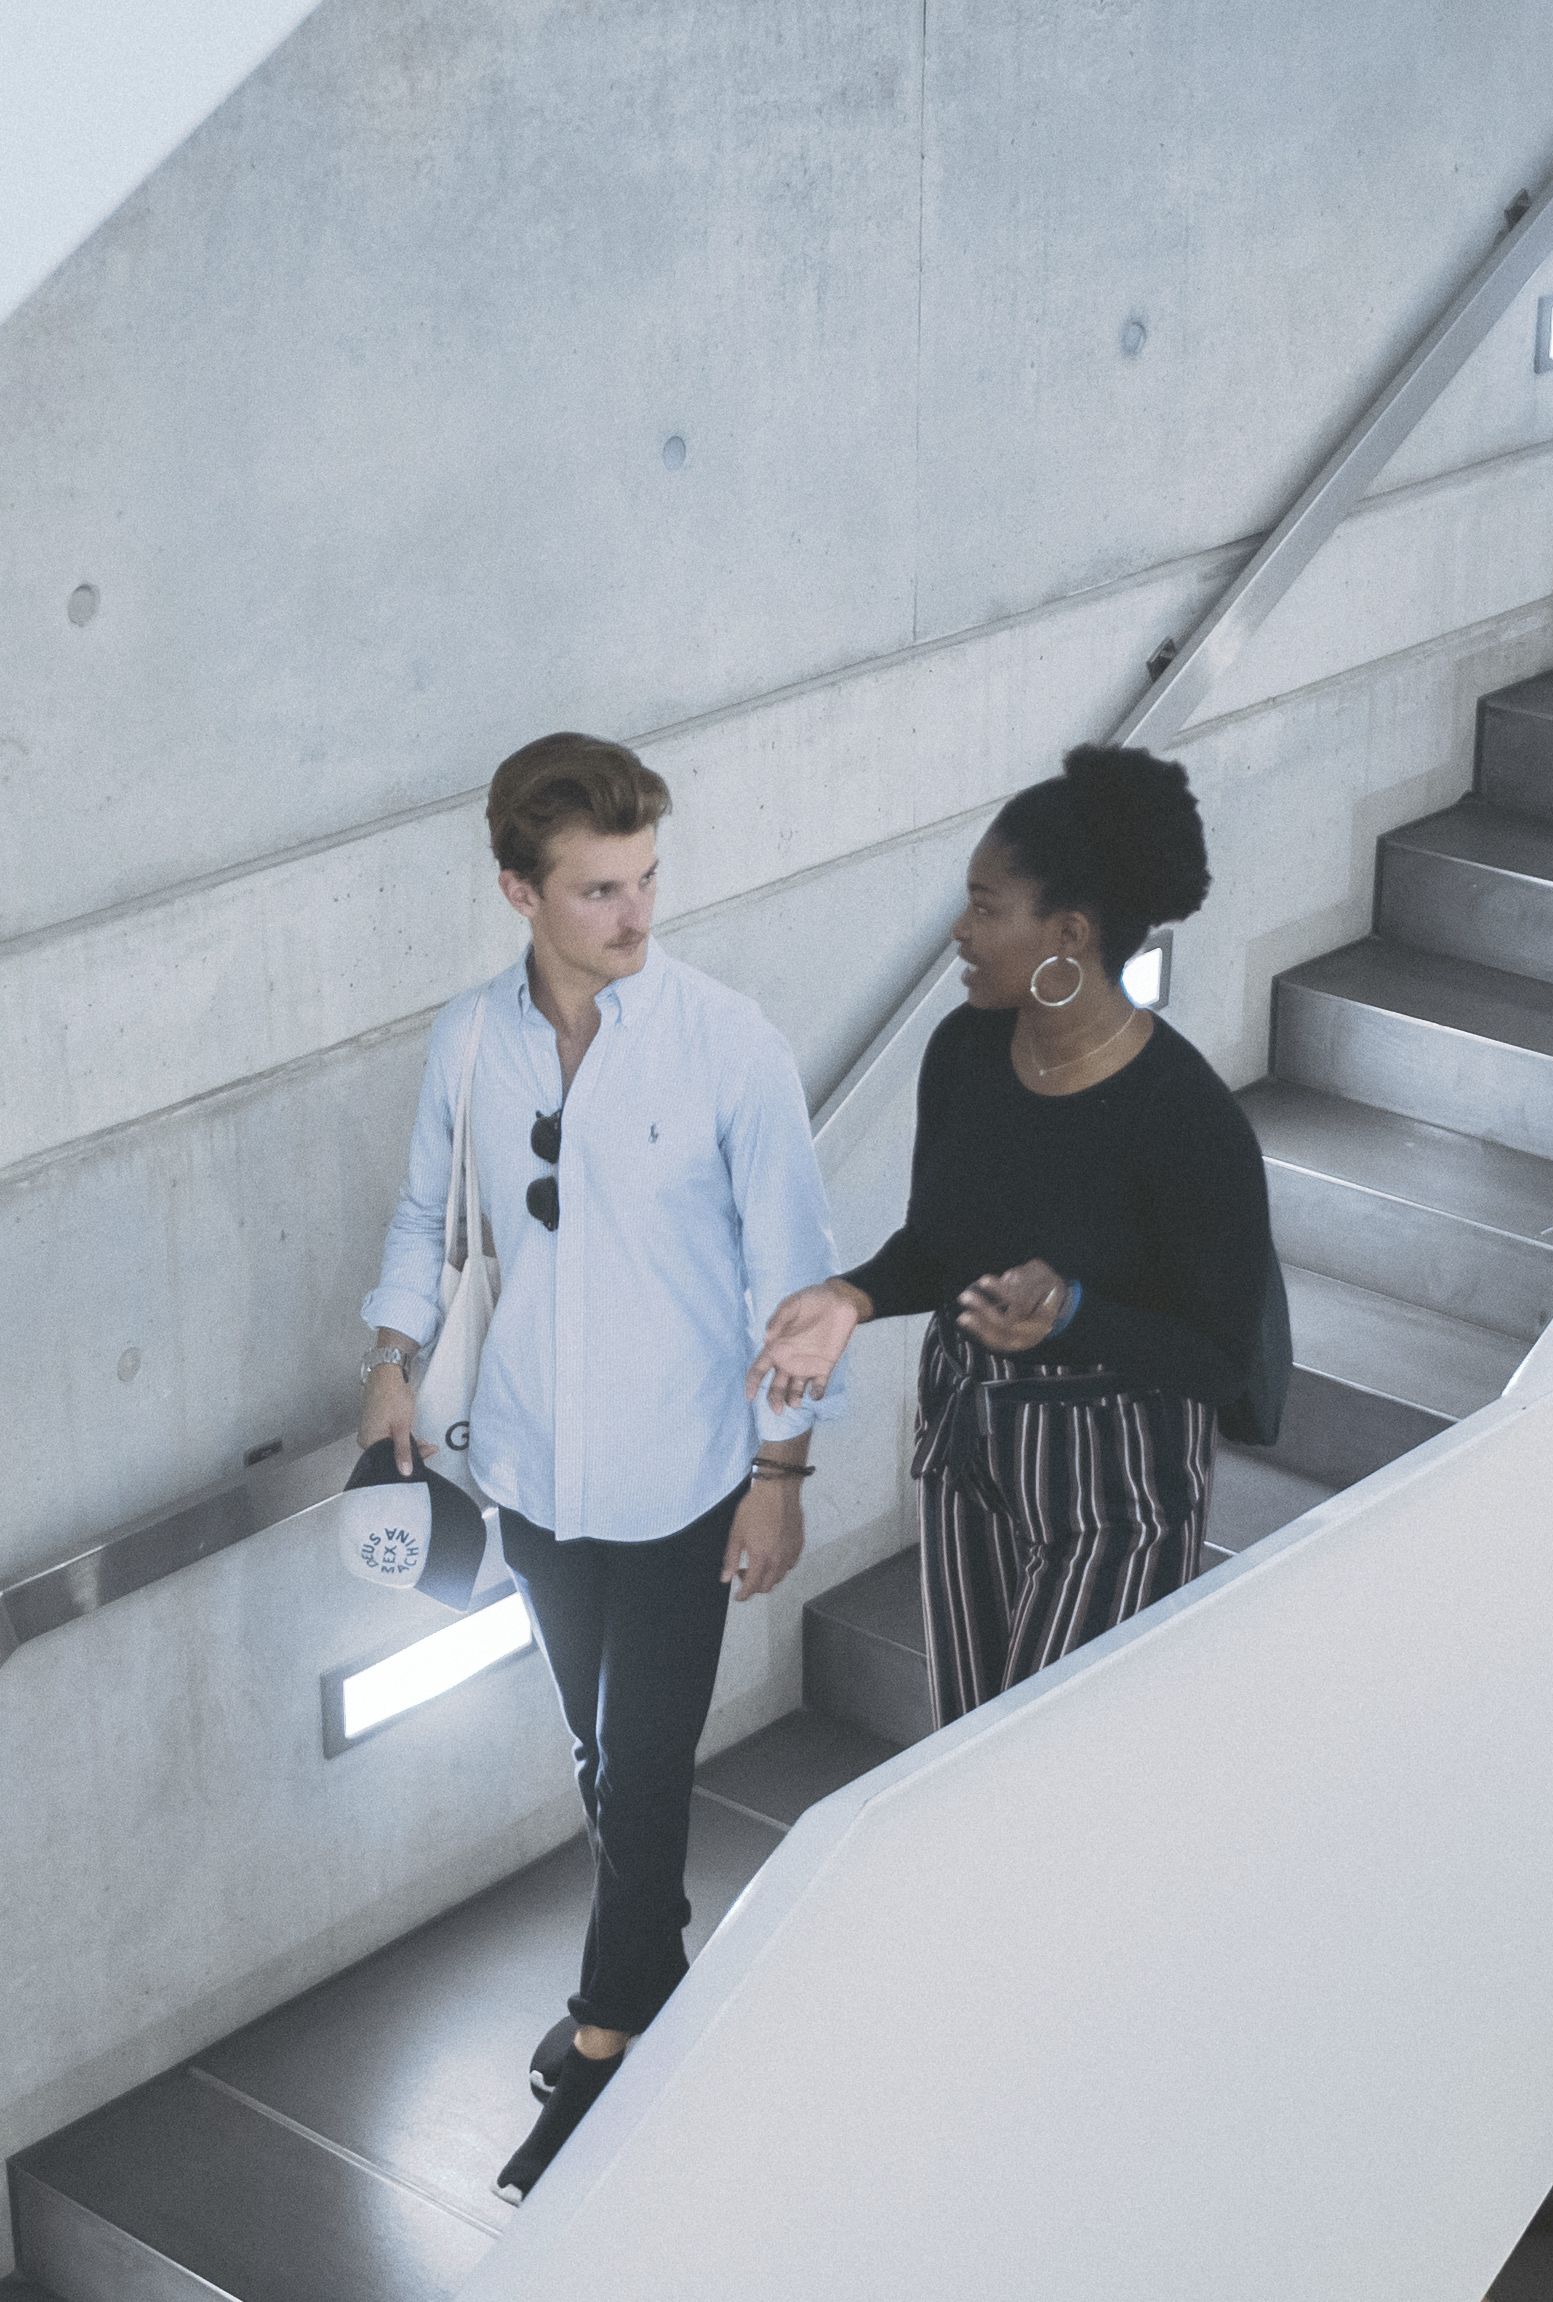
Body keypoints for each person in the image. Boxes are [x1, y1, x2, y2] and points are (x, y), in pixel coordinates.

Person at [358, 732, 840, 2199]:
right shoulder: (470, 1040)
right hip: (531, 1475)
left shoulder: (726, 1043)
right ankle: (662, 1978)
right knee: (598, 1751)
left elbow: (799, 1284)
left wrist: (779, 1471)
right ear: (517, 890)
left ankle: (608, 2042)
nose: (635, 916)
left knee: (639, 1771)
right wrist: (390, 1357)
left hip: (690, 1474)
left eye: (642, 881)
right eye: (596, 890)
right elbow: (423, 1210)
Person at [747, 744, 1269, 1729]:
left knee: (1046, 1761)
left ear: (1067, 933)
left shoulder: (1183, 1118)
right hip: (965, 1446)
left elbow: (1219, 1363)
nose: (960, 930)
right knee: (964, 1746)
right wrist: (851, 1298)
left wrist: (1071, 1310)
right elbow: (938, 1246)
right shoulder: (965, 1051)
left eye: (987, 907)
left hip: (1114, 1481)